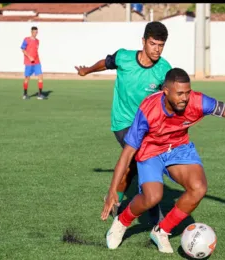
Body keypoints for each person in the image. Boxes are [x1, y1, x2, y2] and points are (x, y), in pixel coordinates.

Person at [101, 68, 225, 254]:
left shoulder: (199, 101)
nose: (185, 97)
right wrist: (112, 190)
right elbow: (127, 154)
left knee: (199, 188)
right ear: (165, 91)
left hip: (179, 148)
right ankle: (122, 221)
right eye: (180, 93)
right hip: (151, 150)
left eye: (188, 92)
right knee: (153, 197)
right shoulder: (148, 110)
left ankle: (161, 231)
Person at [75, 21, 172, 224]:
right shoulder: (124, 58)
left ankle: (115, 199)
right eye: (153, 43)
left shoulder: (164, 69)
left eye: (161, 45)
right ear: (143, 41)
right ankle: (156, 216)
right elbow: (106, 62)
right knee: (144, 158)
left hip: (148, 125)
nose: (157, 49)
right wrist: (87, 70)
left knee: (136, 165)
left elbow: (169, 97)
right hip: (123, 122)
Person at [21, 26, 46, 100]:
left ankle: (40, 94)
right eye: (34, 32)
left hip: (37, 62)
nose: (35, 33)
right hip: (29, 62)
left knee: (40, 76)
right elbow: (23, 49)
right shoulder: (26, 39)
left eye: (36, 32)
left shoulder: (38, 41)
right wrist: (29, 57)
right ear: (31, 32)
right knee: (27, 78)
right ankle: (25, 94)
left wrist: (35, 58)